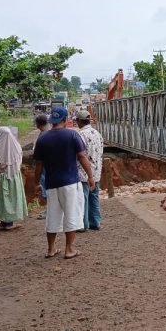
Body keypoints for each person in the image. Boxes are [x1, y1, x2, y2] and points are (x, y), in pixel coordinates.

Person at [33, 106, 95, 259]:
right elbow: (82, 157)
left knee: (52, 215)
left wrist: (36, 183)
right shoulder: (72, 135)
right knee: (71, 214)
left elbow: (38, 165)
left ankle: (51, 249)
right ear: (66, 119)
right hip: (70, 182)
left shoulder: (43, 138)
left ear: (52, 120)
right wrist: (90, 176)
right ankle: (69, 249)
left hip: (51, 183)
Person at [0, 127, 28, 230]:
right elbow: (19, 162)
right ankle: (9, 222)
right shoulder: (17, 146)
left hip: (0, 178)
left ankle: (5, 223)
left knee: (3, 199)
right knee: (12, 198)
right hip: (14, 177)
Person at [75, 110, 104, 231]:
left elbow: (80, 155)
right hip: (96, 171)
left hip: (83, 172)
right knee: (94, 196)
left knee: (83, 198)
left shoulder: (80, 135)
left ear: (80, 121)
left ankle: (83, 224)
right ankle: (95, 222)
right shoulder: (97, 133)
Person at [34, 114, 50, 219]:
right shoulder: (48, 134)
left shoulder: (42, 136)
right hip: (50, 166)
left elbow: (38, 159)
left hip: (44, 167)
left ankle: (49, 212)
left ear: (37, 124)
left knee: (46, 190)